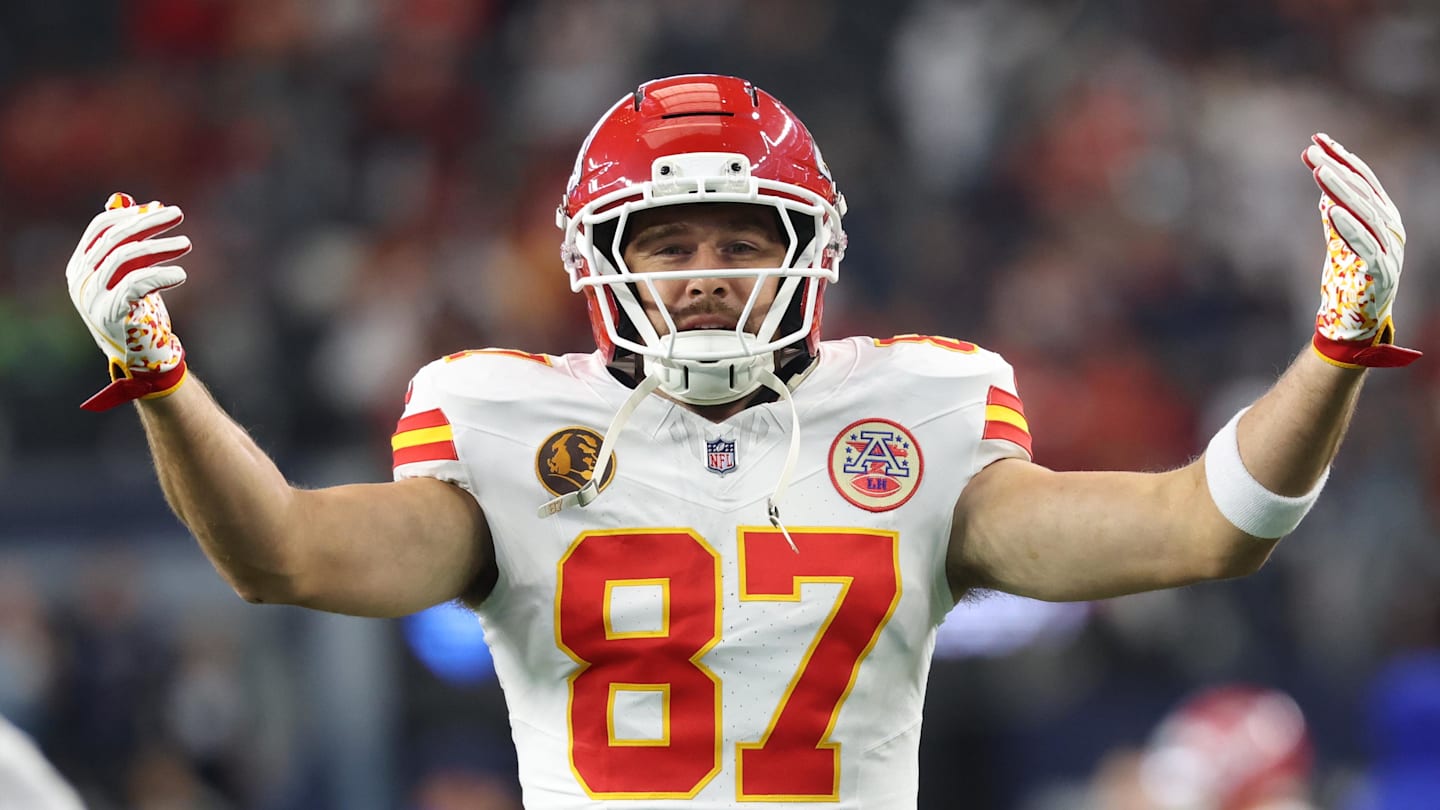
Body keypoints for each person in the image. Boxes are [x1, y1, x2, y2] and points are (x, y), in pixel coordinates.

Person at [63, 74, 1417, 808]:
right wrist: (159, 371)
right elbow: (282, 555)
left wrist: (1336, 349)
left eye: (735, 239)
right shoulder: (505, 416)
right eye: (669, 241)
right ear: (600, 262)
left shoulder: (921, 414)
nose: (704, 271)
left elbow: (1206, 524)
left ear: (810, 253)